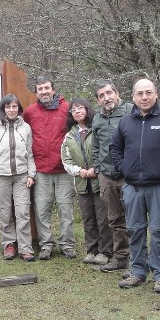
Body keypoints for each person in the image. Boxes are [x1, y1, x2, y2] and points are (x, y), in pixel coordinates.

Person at [110, 77, 160, 293]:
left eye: (148, 92)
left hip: (159, 185)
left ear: (156, 93)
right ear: (133, 97)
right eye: (140, 94)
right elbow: (115, 148)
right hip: (132, 186)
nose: (144, 97)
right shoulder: (126, 121)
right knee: (135, 230)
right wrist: (124, 168)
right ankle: (137, 272)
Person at [22, 75, 75, 260]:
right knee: (42, 209)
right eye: (40, 89)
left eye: (46, 88)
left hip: (64, 169)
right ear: (36, 92)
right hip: (41, 169)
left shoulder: (67, 108)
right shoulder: (30, 112)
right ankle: (46, 245)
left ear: (53, 89)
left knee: (65, 208)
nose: (44, 91)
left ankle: (67, 244)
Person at [0, 94, 37, 261]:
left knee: (23, 213)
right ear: (3, 109)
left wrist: (31, 174)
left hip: (21, 177)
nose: (11, 110)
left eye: (14, 107)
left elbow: (30, 154)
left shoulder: (25, 128)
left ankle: (25, 248)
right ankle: (8, 245)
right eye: (8, 107)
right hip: (0, 176)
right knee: (4, 213)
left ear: (18, 109)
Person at [90, 81, 131, 273]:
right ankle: (121, 257)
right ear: (98, 100)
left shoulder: (131, 111)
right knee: (114, 218)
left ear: (117, 92)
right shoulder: (97, 118)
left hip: (129, 174)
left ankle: (140, 257)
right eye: (101, 95)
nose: (106, 98)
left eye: (109, 93)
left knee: (135, 217)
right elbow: (96, 147)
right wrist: (98, 168)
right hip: (107, 175)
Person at [61, 98, 106, 266]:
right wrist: (79, 171)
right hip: (81, 183)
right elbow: (65, 160)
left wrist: (95, 168)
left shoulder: (97, 128)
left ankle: (104, 251)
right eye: (74, 110)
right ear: (71, 115)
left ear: (87, 109)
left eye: (80, 108)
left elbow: (104, 150)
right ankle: (91, 250)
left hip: (99, 180)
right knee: (88, 218)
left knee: (103, 217)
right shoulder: (69, 136)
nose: (78, 111)